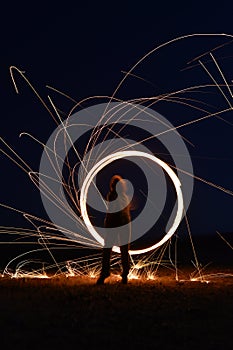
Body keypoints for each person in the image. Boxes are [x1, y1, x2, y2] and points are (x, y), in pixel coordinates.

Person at [96, 175, 131, 285]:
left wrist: (107, 222)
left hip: (115, 224)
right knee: (124, 250)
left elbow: (112, 211)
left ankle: (105, 273)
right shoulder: (125, 197)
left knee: (107, 249)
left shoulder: (112, 195)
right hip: (126, 224)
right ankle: (125, 274)